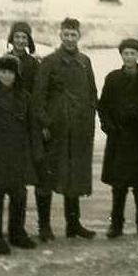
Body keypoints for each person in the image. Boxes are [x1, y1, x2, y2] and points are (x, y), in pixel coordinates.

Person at [0, 21, 53, 241]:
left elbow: (40, 94)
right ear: (11, 39)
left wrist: (40, 123)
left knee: (24, 180)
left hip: (25, 122)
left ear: (29, 41)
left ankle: (25, 228)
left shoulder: (35, 65)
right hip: (2, 127)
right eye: (17, 37)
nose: (20, 41)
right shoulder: (0, 63)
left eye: (24, 38)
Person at [32, 17, 98, 239]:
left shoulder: (85, 61)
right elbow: (38, 96)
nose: (70, 39)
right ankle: (44, 226)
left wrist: (88, 119)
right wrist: (44, 124)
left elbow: (92, 94)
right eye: (66, 34)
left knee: (73, 177)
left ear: (79, 36)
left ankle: (73, 224)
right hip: (55, 130)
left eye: (74, 35)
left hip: (78, 130)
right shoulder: (49, 62)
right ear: (60, 35)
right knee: (48, 177)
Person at [0, 54, 43, 255]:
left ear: (16, 75)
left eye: (11, 72)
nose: (7, 76)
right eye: (3, 72)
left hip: (19, 157)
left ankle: (16, 232)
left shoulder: (24, 98)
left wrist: (36, 152)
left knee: (19, 195)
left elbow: (33, 128)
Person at [99, 38, 138, 239]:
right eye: (125, 53)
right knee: (119, 186)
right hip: (119, 138)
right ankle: (116, 224)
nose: (129, 57)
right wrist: (109, 126)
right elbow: (104, 106)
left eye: (132, 53)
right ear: (121, 55)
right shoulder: (113, 78)